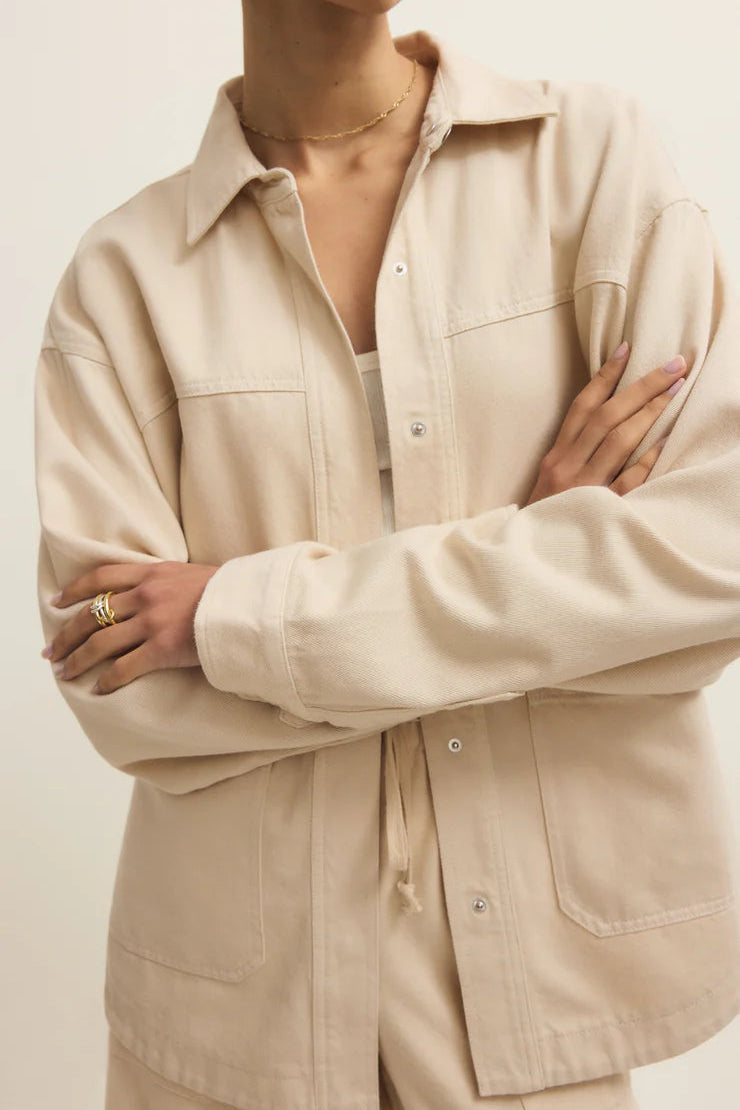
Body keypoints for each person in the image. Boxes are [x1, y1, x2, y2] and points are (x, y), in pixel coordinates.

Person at [33, 2, 740, 1108]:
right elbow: (115, 678)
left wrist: (237, 621)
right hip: (232, 1024)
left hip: (531, 1005)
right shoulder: (125, 278)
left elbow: (705, 563)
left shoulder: (593, 167)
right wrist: (553, 566)